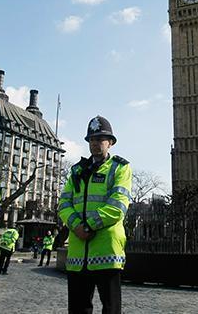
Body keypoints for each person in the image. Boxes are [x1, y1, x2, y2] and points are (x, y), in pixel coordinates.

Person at [58, 115, 132, 314]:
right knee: (77, 309)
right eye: (92, 139)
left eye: (100, 139)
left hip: (106, 251)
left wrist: (88, 226)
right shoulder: (76, 171)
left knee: (111, 309)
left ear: (110, 143)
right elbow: (64, 203)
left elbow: (117, 205)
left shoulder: (120, 168)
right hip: (77, 255)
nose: (95, 143)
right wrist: (77, 227)